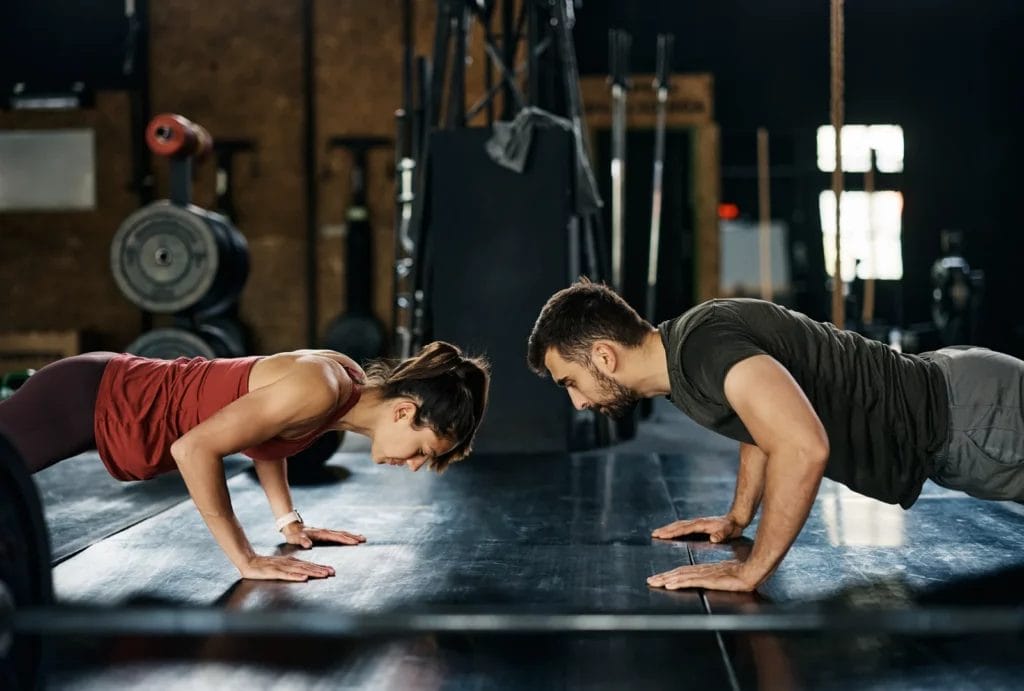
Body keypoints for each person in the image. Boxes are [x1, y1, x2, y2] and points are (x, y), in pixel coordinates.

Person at [528, 279, 1024, 592]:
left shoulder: (703, 349)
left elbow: (803, 447)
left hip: (973, 414)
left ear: (604, 356)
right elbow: (763, 423)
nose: (578, 402)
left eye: (570, 381)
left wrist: (751, 570)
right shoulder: (686, 355)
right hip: (959, 410)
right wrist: (739, 516)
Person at [0, 341, 489, 582]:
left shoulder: (343, 385)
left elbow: (263, 438)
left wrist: (288, 521)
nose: (417, 465)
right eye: (424, 451)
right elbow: (192, 448)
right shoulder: (323, 385)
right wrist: (245, 559)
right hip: (91, 398)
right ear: (404, 411)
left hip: (110, 403)